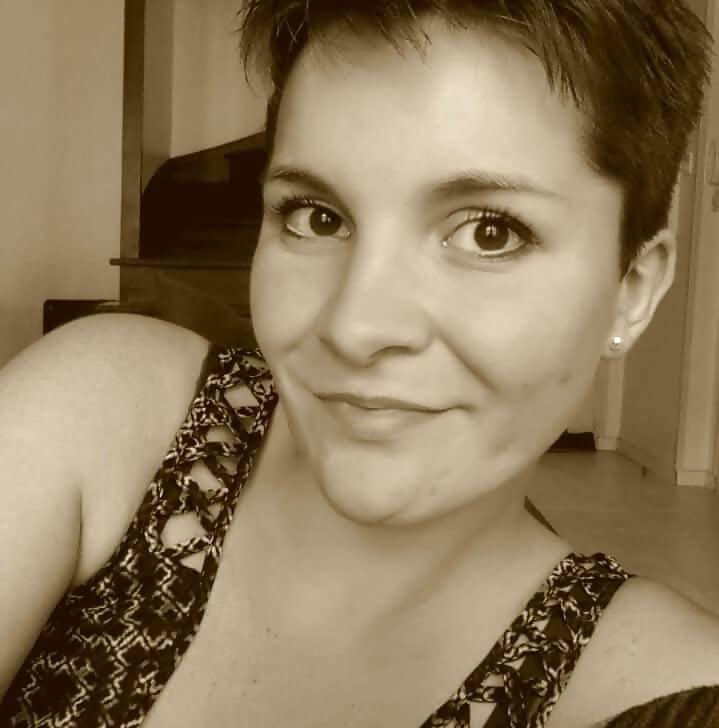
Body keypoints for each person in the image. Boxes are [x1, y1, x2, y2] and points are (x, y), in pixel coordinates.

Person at [1, 1, 717, 726]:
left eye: (489, 233)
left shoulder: (664, 693)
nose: (355, 327)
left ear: (631, 289)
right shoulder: (104, 419)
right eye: (316, 216)